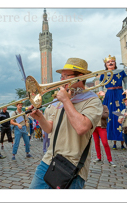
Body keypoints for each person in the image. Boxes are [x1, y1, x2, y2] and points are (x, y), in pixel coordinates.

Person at [29, 58, 103, 189]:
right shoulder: (60, 101)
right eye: (61, 76)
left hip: (72, 165)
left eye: (65, 76)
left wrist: (66, 101)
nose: (61, 80)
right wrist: (39, 117)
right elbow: (49, 128)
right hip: (48, 160)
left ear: (80, 77)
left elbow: (81, 127)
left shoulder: (92, 101)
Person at [98, 55, 127, 150]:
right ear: (106, 64)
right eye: (108, 62)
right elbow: (101, 84)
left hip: (120, 93)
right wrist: (101, 91)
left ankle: (123, 143)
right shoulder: (103, 74)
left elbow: (126, 82)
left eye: (112, 61)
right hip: (109, 95)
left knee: (122, 115)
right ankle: (114, 143)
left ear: (115, 63)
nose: (111, 63)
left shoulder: (121, 72)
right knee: (110, 117)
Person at [92, 97, 116, 167]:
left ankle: (110, 159)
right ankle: (98, 157)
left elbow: (106, 116)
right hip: (94, 128)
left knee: (105, 143)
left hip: (102, 127)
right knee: (96, 143)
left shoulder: (104, 107)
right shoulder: (92, 108)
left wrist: (98, 113)